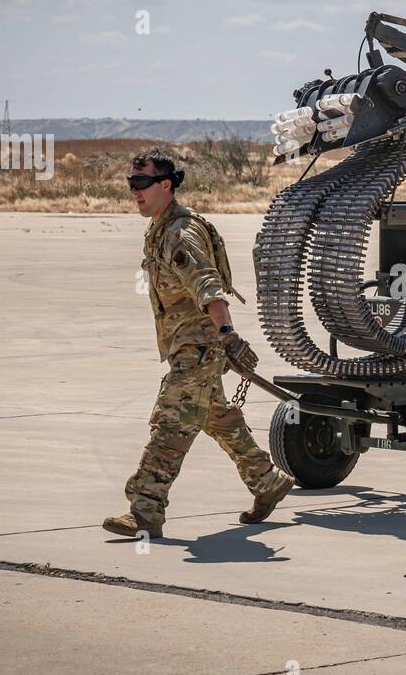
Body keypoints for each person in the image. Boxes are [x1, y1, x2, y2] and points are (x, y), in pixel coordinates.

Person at [103, 149, 293, 539]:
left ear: (165, 185)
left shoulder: (179, 232)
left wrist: (227, 335)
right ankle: (267, 482)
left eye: (141, 184)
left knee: (170, 424)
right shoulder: (161, 226)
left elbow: (209, 286)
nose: (135, 192)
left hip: (200, 349)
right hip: (188, 345)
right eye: (131, 184)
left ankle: (146, 509)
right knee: (217, 418)